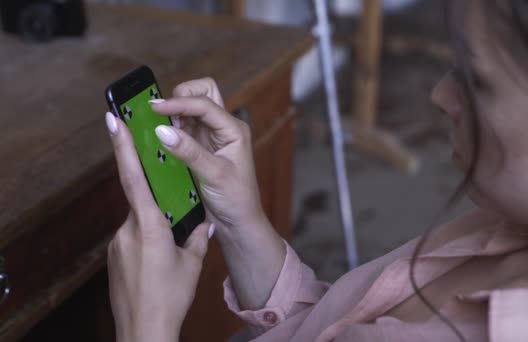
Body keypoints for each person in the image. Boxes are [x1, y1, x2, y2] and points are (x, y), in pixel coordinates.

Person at [103, 0, 528, 341]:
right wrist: (240, 220)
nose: (439, 94)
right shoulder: (500, 226)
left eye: (477, 80)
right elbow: (324, 328)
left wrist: (145, 326)